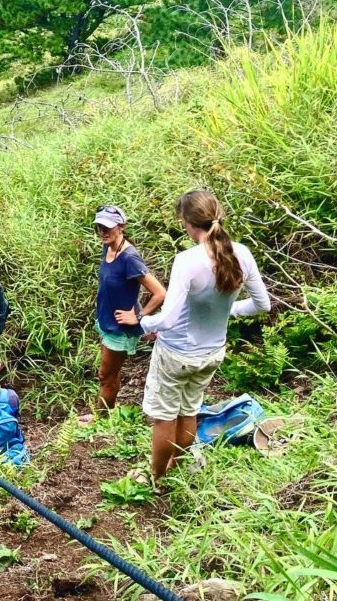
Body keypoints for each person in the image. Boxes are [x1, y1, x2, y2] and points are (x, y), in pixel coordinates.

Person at [115, 190, 271, 486]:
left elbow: (170, 318)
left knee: (164, 418)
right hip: (211, 354)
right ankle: (180, 465)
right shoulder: (242, 253)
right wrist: (227, 312)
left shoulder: (187, 260)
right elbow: (262, 304)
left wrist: (141, 323)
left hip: (176, 354)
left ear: (188, 222)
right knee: (189, 410)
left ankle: (156, 477)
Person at [81, 205, 166, 422]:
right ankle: (106, 413)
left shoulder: (129, 258)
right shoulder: (108, 247)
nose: (102, 231)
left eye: (108, 227)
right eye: (99, 226)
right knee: (110, 374)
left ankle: (100, 420)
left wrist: (138, 317)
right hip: (107, 321)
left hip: (120, 329)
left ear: (121, 226)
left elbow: (159, 293)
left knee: (105, 376)